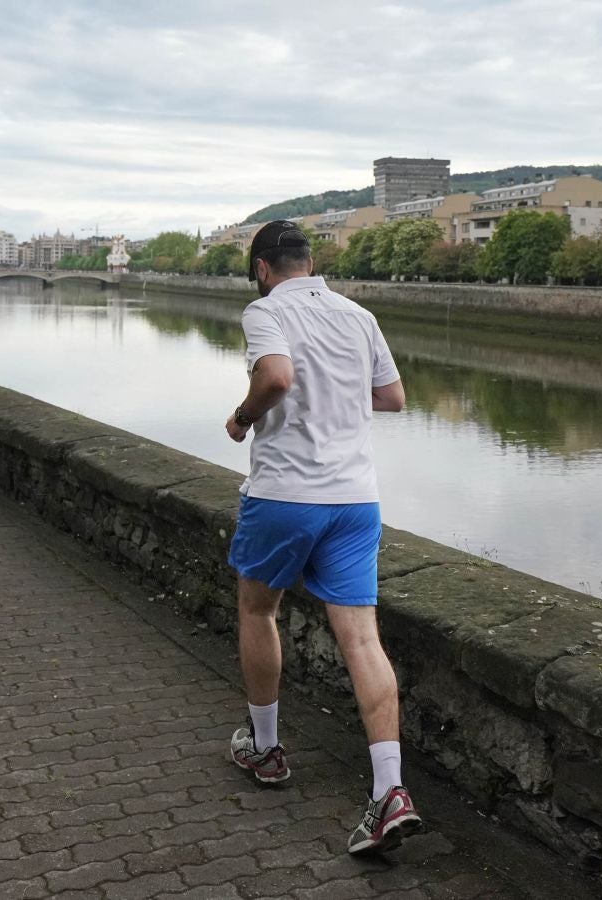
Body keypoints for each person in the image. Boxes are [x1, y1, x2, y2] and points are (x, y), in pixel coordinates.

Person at [223, 220, 419, 855]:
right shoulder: (358, 315)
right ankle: (389, 792)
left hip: (285, 495)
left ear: (263, 268)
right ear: (310, 260)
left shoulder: (264, 311)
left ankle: (267, 749)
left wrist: (242, 417)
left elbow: (276, 377)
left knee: (259, 609)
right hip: (356, 499)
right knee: (362, 637)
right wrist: (338, 396)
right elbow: (392, 397)